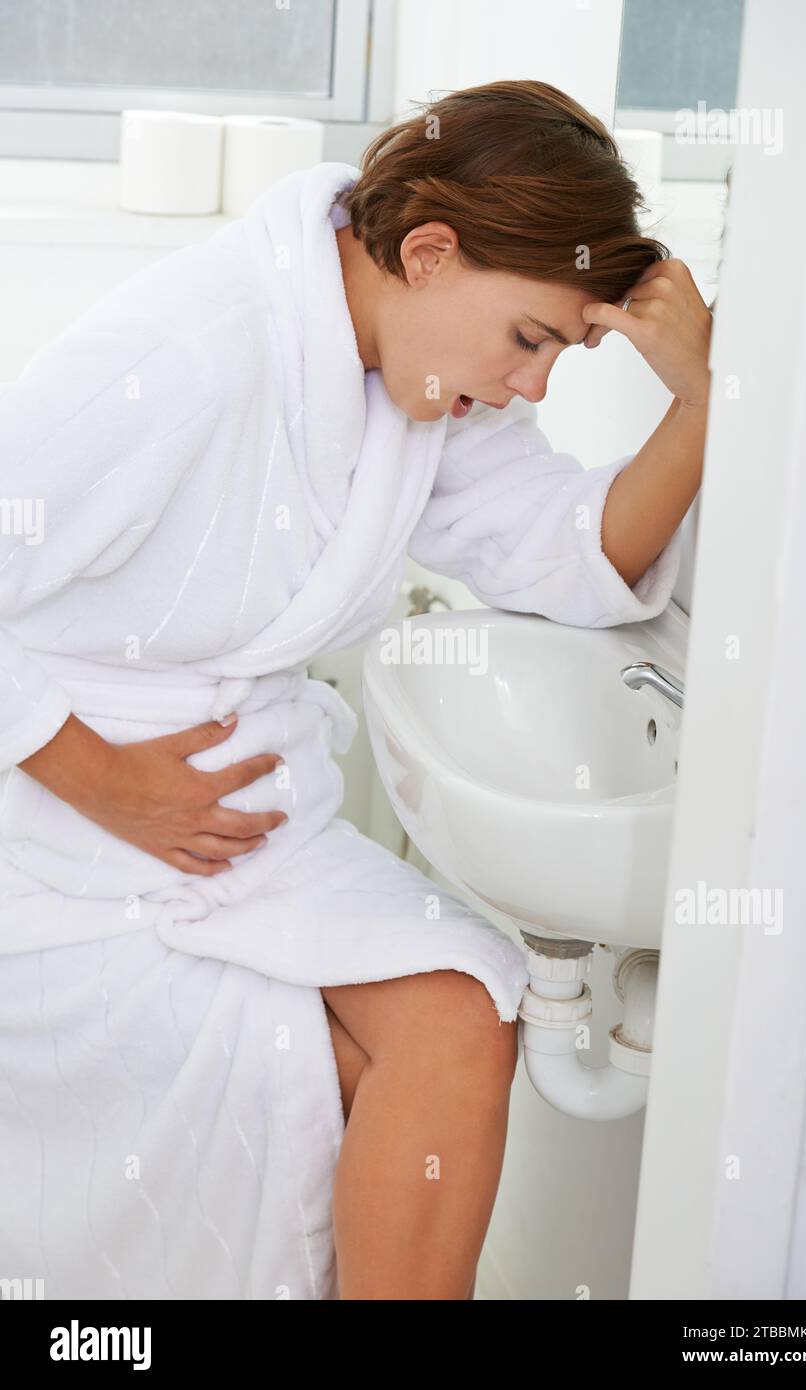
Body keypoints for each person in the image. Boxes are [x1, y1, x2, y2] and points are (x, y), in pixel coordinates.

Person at [0, 79, 710, 1301]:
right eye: (530, 340)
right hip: (57, 836)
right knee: (345, 1058)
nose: (534, 385)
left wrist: (705, 397)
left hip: (237, 828)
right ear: (428, 254)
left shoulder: (411, 374)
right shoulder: (191, 353)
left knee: (465, 1005)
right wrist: (110, 785)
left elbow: (574, 550)